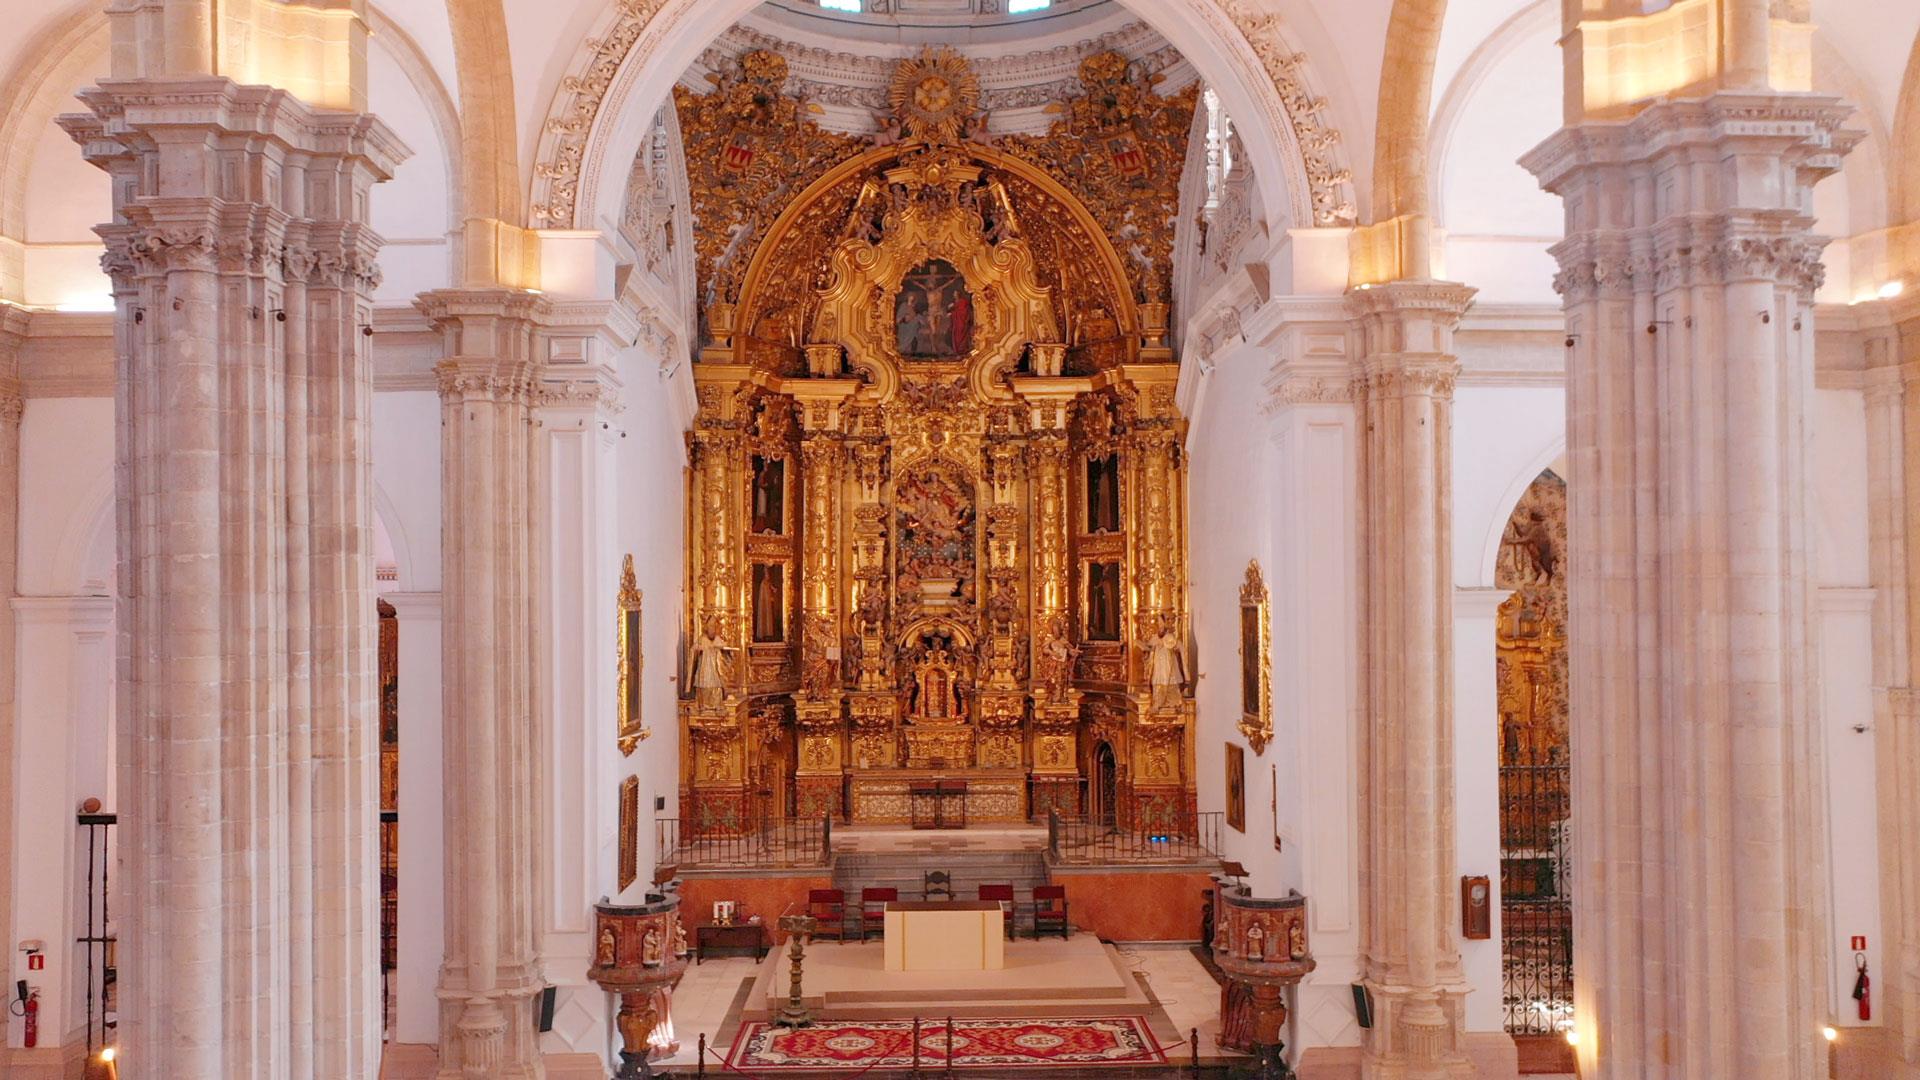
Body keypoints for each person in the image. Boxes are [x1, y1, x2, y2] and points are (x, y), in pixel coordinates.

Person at [1140, 617, 1185, 712]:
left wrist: (1161, 642)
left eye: (1161, 622)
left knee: (1169, 682)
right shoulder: (1155, 637)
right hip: (1158, 665)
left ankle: (1174, 703)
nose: (1159, 625)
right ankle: (1157, 704)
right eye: (1158, 623)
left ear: (1165, 623)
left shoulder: (1170, 636)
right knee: (1158, 682)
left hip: (1168, 664)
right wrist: (1143, 647)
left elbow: (1173, 644)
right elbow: (1149, 647)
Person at [691, 616, 731, 708]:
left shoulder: (717, 639)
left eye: (714, 626)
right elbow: (693, 649)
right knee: (705, 687)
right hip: (705, 669)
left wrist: (723, 649)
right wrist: (698, 649)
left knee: (716, 687)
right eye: (710, 626)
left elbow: (725, 649)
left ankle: (716, 705)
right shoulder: (702, 639)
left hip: (716, 669)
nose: (712, 629)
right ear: (706, 627)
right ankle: (704, 705)